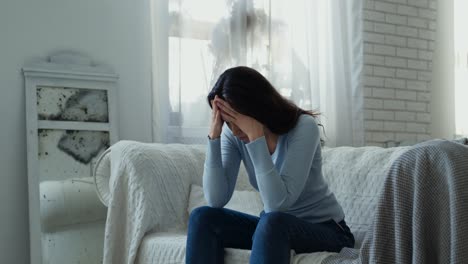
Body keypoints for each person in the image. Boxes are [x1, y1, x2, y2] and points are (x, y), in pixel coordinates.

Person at [185, 66, 355, 264]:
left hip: (327, 230)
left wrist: (256, 139)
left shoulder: (303, 127)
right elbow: (216, 199)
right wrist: (214, 137)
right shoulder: (234, 135)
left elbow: (277, 204)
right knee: (202, 218)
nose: (233, 128)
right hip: (275, 228)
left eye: (236, 118)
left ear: (254, 107)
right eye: (227, 120)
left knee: (272, 220)